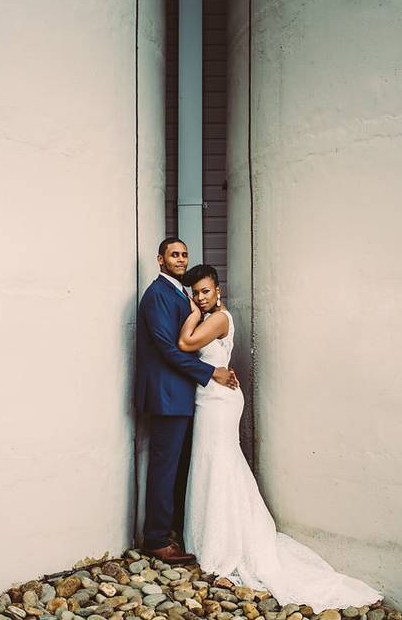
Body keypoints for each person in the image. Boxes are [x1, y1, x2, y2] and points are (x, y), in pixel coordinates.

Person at [178, 264, 383, 610]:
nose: (201, 297)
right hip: (209, 397)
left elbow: (185, 343)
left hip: (219, 403)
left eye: (205, 291)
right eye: (195, 292)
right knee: (211, 462)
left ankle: (227, 543)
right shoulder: (209, 316)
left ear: (218, 292)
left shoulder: (217, 318)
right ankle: (209, 537)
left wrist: (192, 311)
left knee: (220, 462)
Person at [136, 239, 239, 565]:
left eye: (184, 254)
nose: (180, 259)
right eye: (174, 255)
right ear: (160, 260)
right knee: (165, 468)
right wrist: (211, 373)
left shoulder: (180, 292)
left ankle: (175, 530)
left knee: (181, 467)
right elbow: (170, 348)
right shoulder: (157, 296)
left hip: (187, 395)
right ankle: (156, 539)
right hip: (168, 395)